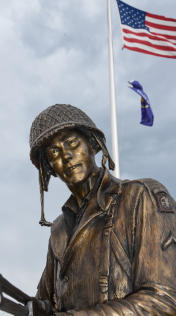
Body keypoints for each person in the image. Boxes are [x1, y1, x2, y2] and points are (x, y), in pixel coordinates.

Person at [29, 104, 176, 316]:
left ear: (92, 144)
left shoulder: (140, 197)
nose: (67, 155)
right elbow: (45, 303)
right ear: (49, 168)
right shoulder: (59, 230)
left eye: (72, 142)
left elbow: (164, 299)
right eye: (54, 152)